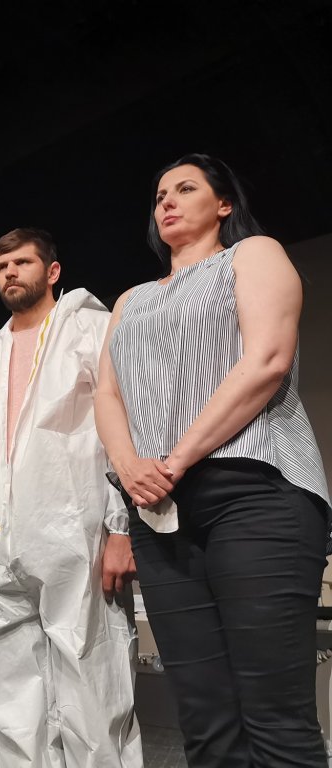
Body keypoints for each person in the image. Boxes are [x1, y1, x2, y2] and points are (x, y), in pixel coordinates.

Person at [95, 153, 331, 767]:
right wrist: (128, 466)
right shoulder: (130, 299)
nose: (167, 202)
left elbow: (268, 359)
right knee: (205, 721)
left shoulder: (253, 255)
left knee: (275, 717)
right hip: (159, 512)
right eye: (159, 196)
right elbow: (107, 394)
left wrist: (174, 459)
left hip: (255, 492)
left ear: (223, 203)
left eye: (185, 188)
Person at [0, 228, 142, 767]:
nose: (11, 273)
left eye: (22, 262)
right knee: (10, 690)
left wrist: (120, 527)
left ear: (52, 271)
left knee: (91, 681)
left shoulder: (90, 328)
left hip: (73, 524)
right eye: (2, 267)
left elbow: (122, 428)